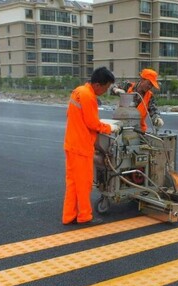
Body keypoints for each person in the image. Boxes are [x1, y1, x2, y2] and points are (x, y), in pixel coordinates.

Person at [62, 66, 119, 226]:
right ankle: (84, 216)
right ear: (98, 85)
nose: (105, 91)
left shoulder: (78, 91)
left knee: (72, 183)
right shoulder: (88, 96)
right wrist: (111, 128)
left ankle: (69, 216)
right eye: (106, 87)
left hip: (72, 144)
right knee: (84, 183)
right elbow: (93, 123)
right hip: (81, 147)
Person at [111, 68, 164, 132]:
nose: (150, 86)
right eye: (149, 83)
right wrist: (116, 90)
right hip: (122, 127)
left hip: (139, 130)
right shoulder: (128, 86)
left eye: (152, 85)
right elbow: (113, 87)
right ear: (142, 79)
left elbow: (153, 111)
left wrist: (157, 118)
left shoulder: (150, 96)